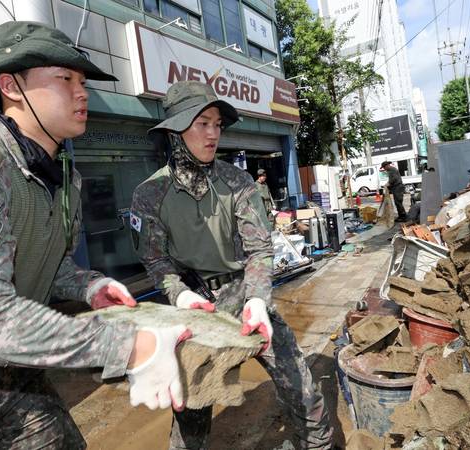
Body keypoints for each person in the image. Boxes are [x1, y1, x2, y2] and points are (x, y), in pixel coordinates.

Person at [0, 21, 189, 449]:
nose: (82, 92)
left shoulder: (65, 176)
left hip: (15, 370)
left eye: (82, 81)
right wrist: (128, 346)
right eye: (65, 78)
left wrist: (90, 286)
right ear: (10, 86)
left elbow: (48, 260)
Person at [131, 81, 334, 450]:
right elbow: (155, 258)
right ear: (176, 130)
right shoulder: (149, 195)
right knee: (192, 415)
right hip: (197, 310)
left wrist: (257, 298)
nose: (213, 134)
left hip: (246, 297)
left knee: (301, 388)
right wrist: (178, 295)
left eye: (217, 124)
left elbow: (259, 249)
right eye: (202, 124)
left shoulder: (237, 182)